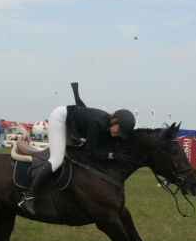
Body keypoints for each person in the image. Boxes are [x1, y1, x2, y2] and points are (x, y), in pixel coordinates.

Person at [18, 87, 136, 215]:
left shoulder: (107, 124)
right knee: (57, 159)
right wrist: (114, 156)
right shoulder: (98, 123)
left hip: (71, 121)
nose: (118, 135)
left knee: (74, 158)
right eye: (119, 131)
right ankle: (28, 197)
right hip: (60, 118)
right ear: (114, 121)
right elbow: (91, 152)